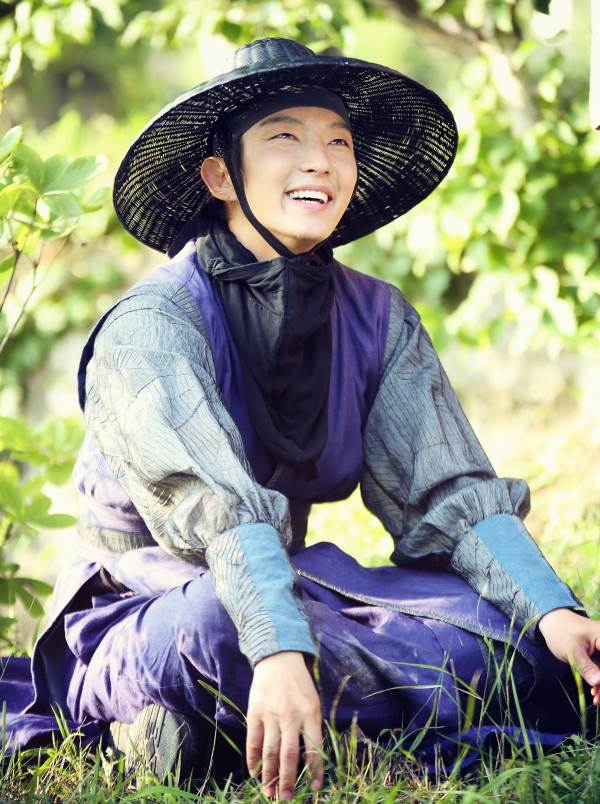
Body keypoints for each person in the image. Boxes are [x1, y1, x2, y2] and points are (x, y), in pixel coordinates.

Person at [2, 36, 599, 800]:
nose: (320, 162)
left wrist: (551, 612)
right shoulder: (152, 325)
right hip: (152, 612)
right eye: (285, 137)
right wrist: (277, 649)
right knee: (226, 628)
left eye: (338, 142)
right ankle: (207, 707)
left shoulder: (377, 317)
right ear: (222, 175)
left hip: (291, 589)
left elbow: (451, 496)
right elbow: (217, 515)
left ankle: (214, 734)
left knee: (510, 632)